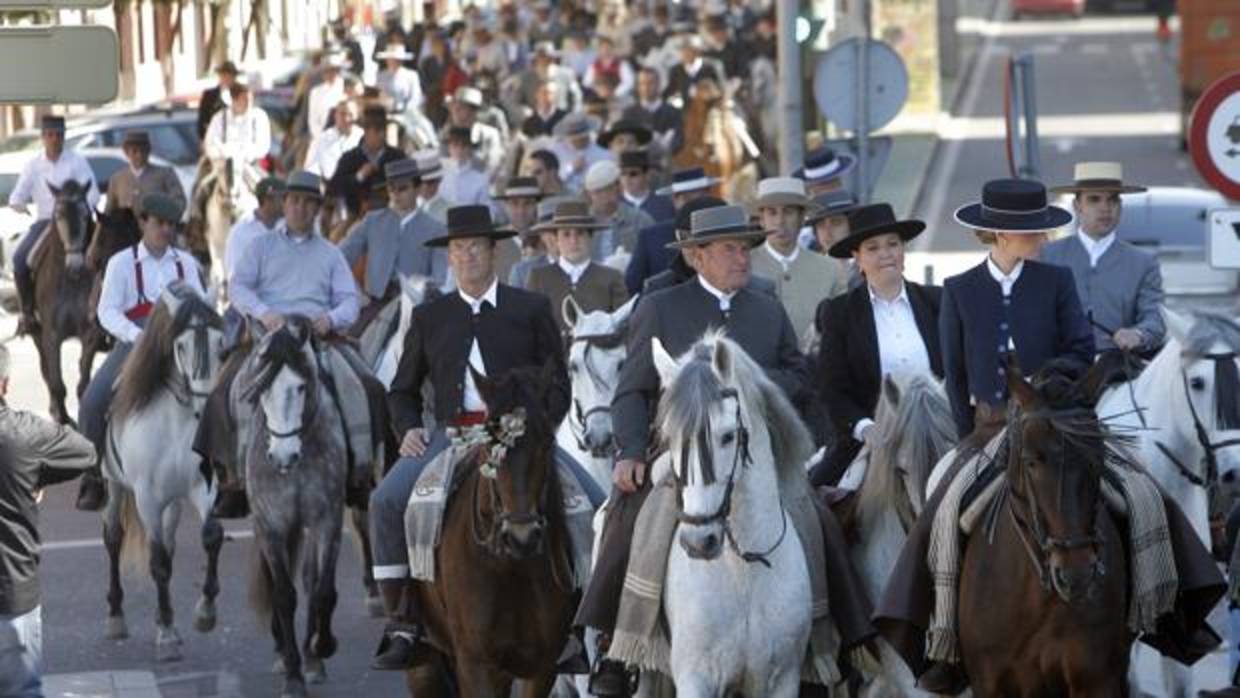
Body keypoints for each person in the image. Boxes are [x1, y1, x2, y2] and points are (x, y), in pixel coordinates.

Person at [578, 204, 818, 692]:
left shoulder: (766, 307)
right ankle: (615, 646)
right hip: (680, 452)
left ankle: (838, 638)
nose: (742, 257)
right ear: (695, 256)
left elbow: (798, 376)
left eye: (744, 247)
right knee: (627, 517)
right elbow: (631, 390)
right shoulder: (661, 306)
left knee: (819, 519)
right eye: (729, 248)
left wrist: (750, 385)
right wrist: (629, 452)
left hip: (758, 456)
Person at [367, 204, 605, 670]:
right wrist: (409, 427)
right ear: (449, 257)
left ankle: (582, 627)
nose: (468, 255)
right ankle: (403, 620)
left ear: (494, 252)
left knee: (597, 507)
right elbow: (402, 389)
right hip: (453, 435)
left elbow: (559, 383)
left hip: (523, 441)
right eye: (459, 248)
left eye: (476, 247)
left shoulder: (530, 308)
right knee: (385, 501)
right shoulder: (432, 316)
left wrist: (533, 428)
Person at [196, 171, 371, 518]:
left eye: (308, 203)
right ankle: (234, 478)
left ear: (318, 209)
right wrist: (264, 313)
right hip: (267, 339)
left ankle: (361, 469)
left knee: (365, 387)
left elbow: (350, 300)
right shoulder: (260, 246)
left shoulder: (331, 253)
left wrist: (331, 319)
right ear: (283, 204)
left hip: (317, 340)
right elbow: (239, 288)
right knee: (224, 393)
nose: (300, 209)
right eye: (293, 201)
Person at [76, 193, 207, 511]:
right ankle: (92, 474)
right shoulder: (122, 263)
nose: (165, 230)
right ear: (143, 223)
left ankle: (219, 471)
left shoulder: (186, 263)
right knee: (92, 402)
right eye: (159, 223)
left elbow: (200, 305)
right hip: (134, 344)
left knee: (214, 394)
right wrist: (137, 336)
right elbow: (108, 312)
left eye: (171, 225)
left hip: (179, 344)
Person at [938, 178, 1095, 440]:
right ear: (1001, 234)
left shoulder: (1057, 281)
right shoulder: (958, 289)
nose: (1043, 237)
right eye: (1032, 231)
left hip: (1050, 424)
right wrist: (965, 437)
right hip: (985, 428)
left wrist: (1047, 378)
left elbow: (1081, 350)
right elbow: (954, 375)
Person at [810, 203, 942, 487]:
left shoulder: (939, 302)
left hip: (943, 434)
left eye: (892, 244)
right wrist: (866, 429)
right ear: (857, 258)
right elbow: (831, 389)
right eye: (872, 248)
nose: (885, 254)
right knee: (817, 500)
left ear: (903, 251)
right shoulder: (839, 312)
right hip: (872, 439)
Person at [0, 343, 97, 698]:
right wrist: (35, 476)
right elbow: (85, 452)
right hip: (13, 592)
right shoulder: (25, 432)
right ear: (5, 385)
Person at [1042, 162, 1165, 364]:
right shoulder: (1048, 256)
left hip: (1121, 371)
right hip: (1058, 372)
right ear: (1077, 206)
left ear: (1120, 206)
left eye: (1112, 200)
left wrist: (1138, 334)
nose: (1105, 208)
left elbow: (1156, 318)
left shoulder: (1143, 263)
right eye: (1094, 200)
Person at [8, 115, 99, 336]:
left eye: (58, 135)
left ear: (64, 136)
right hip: (46, 221)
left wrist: (82, 208)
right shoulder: (33, 165)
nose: (54, 139)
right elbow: (16, 195)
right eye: (50, 135)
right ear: (43, 137)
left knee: (104, 254)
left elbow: (93, 191)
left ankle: (104, 311)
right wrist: (19, 205)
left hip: (76, 220)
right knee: (19, 259)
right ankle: (27, 313)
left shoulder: (77, 161)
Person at [339, 158, 448, 322]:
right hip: (375, 306)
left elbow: (440, 279)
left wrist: (421, 289)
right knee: (354, 343)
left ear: (418, 189)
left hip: (416, 308)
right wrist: (355, 293)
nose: (396, 195)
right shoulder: (372, 220)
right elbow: (339, 259)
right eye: (391, 189)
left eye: (402, 189)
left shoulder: (436, 229)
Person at [749, 177, 849, 342]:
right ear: (761, 220)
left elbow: (843, 328)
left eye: (788, 212)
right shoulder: (743, 267)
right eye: (772, 212)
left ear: (802, 218)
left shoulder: (830, 269)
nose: (780, 221)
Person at [528, 199, 629, 335]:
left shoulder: (611, 277)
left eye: (580, 233)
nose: (573, 241)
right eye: (566, 234)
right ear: (556, 239)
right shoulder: (539, 278)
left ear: (590, 237)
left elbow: (623, 324)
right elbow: (531, 325)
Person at [623, 166, 717, 294]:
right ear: (676, 200)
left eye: (703, 198)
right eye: (690, 200)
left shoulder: (721, 233)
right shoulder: (651, 237)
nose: (698, 206)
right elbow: (632, 286)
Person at [329, 106, 404, 220]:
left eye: (383, 130)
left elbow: (410, 184)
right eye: (377, 130)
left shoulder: (397, 157)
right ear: (366, 131)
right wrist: (359, 177)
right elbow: (334, 188)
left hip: (394, 215)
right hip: (356, 217)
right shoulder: (350, 158)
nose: (382, 135)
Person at [103, 130, 186, 218]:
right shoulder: (117, 179)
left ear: (149, 151)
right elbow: (109, 211)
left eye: (143, 151)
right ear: (126, 153)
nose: (139, 155)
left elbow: (179, 201)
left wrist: (166, 219)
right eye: (134, 151)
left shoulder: (165, 174)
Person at [583, 161, 654, 261]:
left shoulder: (640, 220)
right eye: (598, 192)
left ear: (619, 188)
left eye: (608, 189)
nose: (604, 196)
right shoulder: (582, 224)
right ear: (589, 194)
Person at [223, 176, 285, 284]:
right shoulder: (240, 233)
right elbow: (235, 274)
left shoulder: (291, 227)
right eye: (283, 198)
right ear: (267, 200)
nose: (288, 203)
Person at [203, 80, 271, 172]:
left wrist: (245, 155)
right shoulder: (219, 118)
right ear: (234, 99)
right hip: (223, 167)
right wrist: (223, 155)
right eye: (244, 99)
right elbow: (210, 143)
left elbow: (263, 145)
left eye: (249, 99)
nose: (248, 103)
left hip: (252, 167)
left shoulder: (259, 116)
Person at [438, 86, 505, 176]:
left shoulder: (490, 135)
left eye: (461, 108)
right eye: (454, 107)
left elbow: (493, 165)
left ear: (472, 112)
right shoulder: (446, 133)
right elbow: (441, 161)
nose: (455, 111)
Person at [621, 66, 683, 155]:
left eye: (650, 83)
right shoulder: (628, 113)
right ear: (637, 87)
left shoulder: (673, 112)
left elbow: (678, 140)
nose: (646, 88)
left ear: (658, 85)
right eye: (642, 84)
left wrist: (664, 145)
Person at [509, 195, 562, 289]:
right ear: (542, 235)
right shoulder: (523, 272)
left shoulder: (592, 269)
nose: (557, 237)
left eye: (564, 232)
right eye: (552, 231)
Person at [304, 100, 363, 180]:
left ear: (356, 116)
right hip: (328, 186)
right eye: (342, 114)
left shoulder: (363, 137)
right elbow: (311, 168)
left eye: (350, 114)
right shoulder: (321, 139)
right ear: (335, 115)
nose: (346, 118)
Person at [552, 112, 611, 193]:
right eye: (574, 138)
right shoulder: (556, 152)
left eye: (581, 137)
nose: (578, 140)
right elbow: (553, 180)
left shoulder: (604, 155)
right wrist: (571, 168)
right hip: (564, 198)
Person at [438, 127, 492, 209]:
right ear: (449, 147)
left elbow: (485, 210)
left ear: (470, 148)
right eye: (455, 145)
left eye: (464, 145)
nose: (459, 150)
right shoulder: (440, 176)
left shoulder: (481, 179)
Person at [617, 149, 674, 223]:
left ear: (647, 175)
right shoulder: (614, 205)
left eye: (633, 174)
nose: (627, 178)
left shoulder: (664, 205)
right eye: (623, 173)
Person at [307, 53, 348, 140]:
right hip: (321, 138)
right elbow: (312, 119)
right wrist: (321, 137)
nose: (329, 74)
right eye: (326, 71)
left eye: (333, 70)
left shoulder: (346, 89)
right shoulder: (316, 92)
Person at [375, 45, 425, 115]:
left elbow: (416, 98)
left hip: (407, 113)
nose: (394, 61)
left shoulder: (411, 75)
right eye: (391, 59)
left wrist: (403, 109)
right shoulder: (381, 76)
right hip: (385, 113)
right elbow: (378, 94)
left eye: (397, 59)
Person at [196, 61, 238, 143]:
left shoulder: (239, 94)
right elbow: (202, 119)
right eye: (224, 75)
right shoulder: (209, 95)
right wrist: (202, 140)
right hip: (214, 140)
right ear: (220, 76)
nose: (227, 78)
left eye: (230, 76)